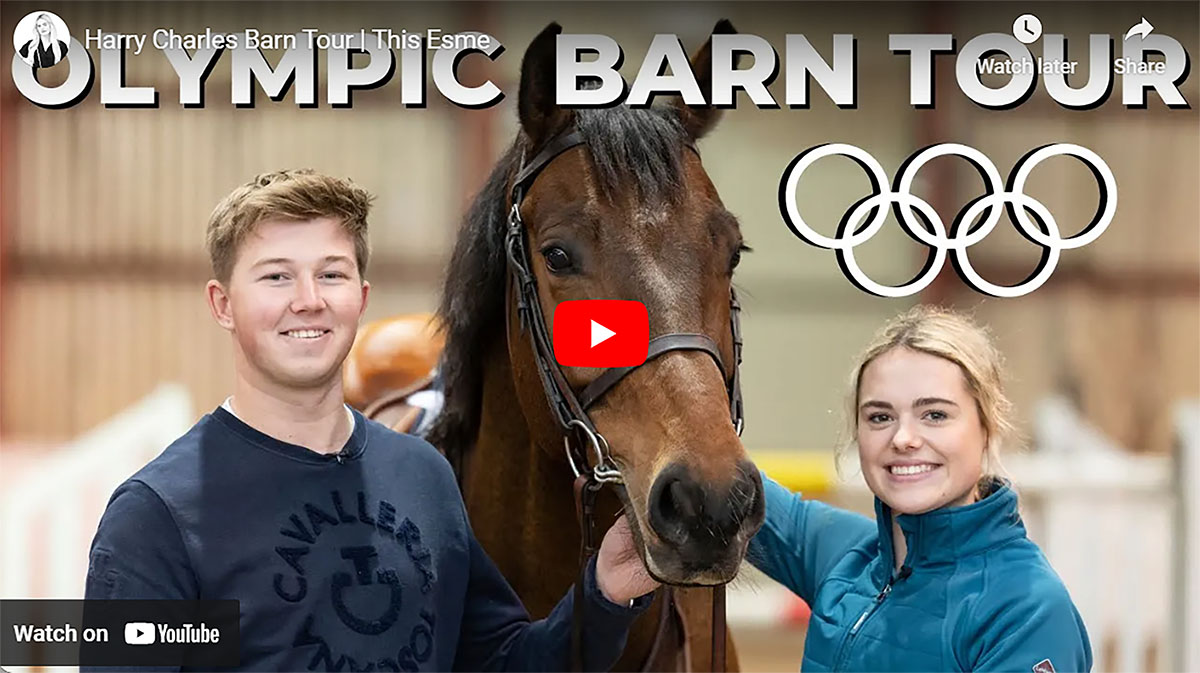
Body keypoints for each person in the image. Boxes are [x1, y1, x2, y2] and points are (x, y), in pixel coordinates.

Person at [83, 169, 656, 671]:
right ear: (222, 304)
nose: (307, 299)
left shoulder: (423, 476)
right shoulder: (157, 514)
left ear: (360, 296)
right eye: (276, 276)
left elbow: (504, 663)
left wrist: (606, 592)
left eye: (330, 274)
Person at [749, 306, 1091, 671]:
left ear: (987, 427)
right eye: (880, 417)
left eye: (935, 415)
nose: (903, 438)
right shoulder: (844, 555)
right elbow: (721, 484)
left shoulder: (1025, 609)